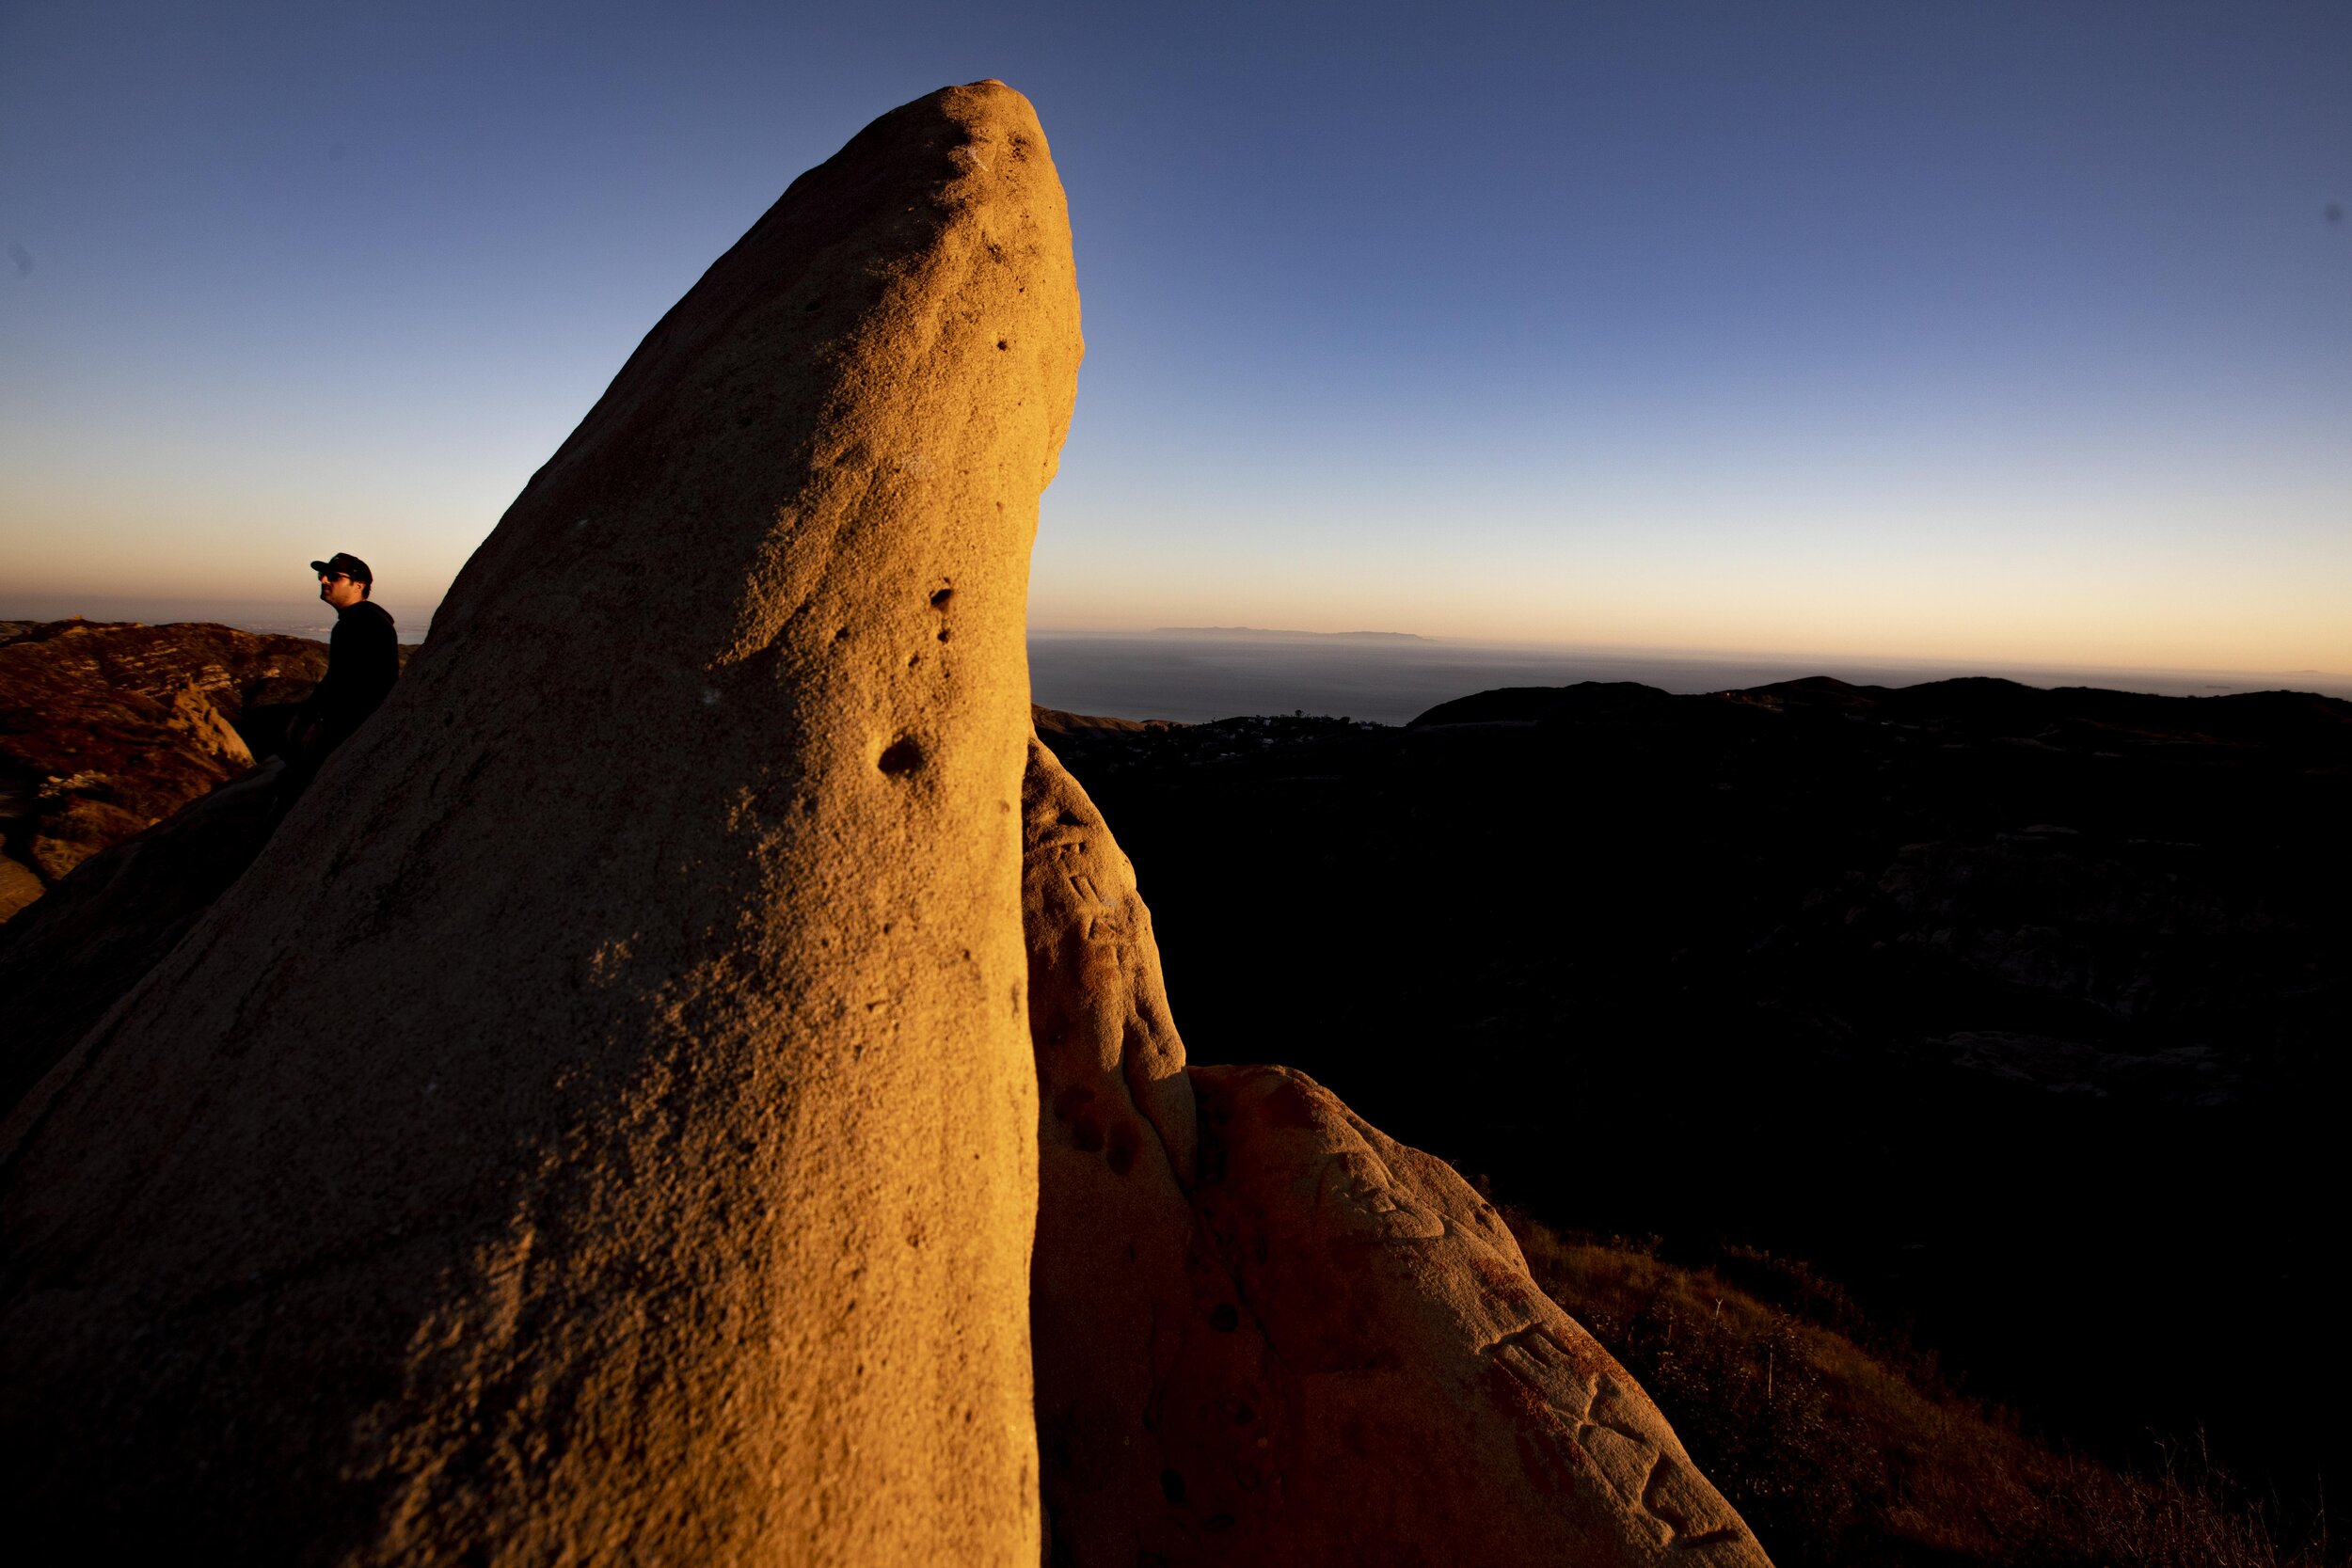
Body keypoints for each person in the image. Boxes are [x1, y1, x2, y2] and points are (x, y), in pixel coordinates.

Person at [277, 551, 400, 811]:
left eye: (333, 576)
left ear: (359, 585)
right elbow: (339, 676)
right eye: (322, 575)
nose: (323, 580)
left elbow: (362, 683)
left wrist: (325, 723)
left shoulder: (364, 623)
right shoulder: (359, 620)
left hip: (349, 728)